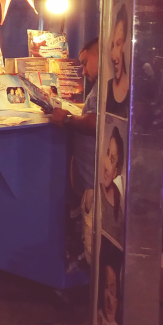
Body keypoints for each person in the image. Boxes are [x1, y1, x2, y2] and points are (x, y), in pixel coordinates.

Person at [51, 38, 99, 261]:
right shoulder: (100, 85)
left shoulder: (108, 85)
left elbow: (99, 122)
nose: (82, 70)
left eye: (85, 62)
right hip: (89, 182)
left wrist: (69, 120)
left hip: (97, 185)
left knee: (94, 246)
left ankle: (97, 295)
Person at [106, 6, 130, 116]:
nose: (113, 55)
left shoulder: (136, 91)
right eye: (112, 46)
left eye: (119, 44)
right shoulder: (107, 88)